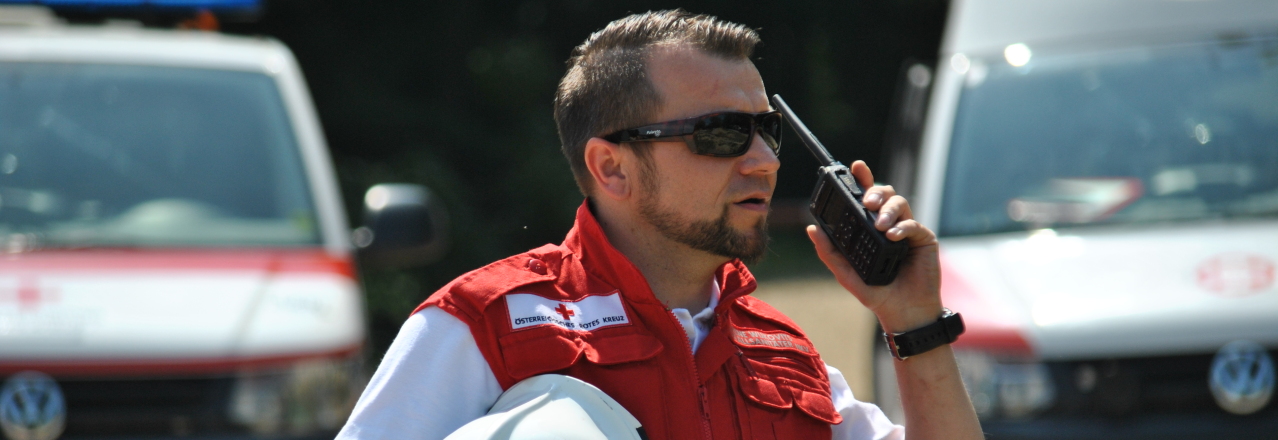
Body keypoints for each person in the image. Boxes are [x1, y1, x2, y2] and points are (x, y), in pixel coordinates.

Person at [336, 10, 982, 440]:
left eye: (769, 131)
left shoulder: (788, 355)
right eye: (723, 134)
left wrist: (914, 323)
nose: (763, 162)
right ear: (611, 168)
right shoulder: (482, 327)